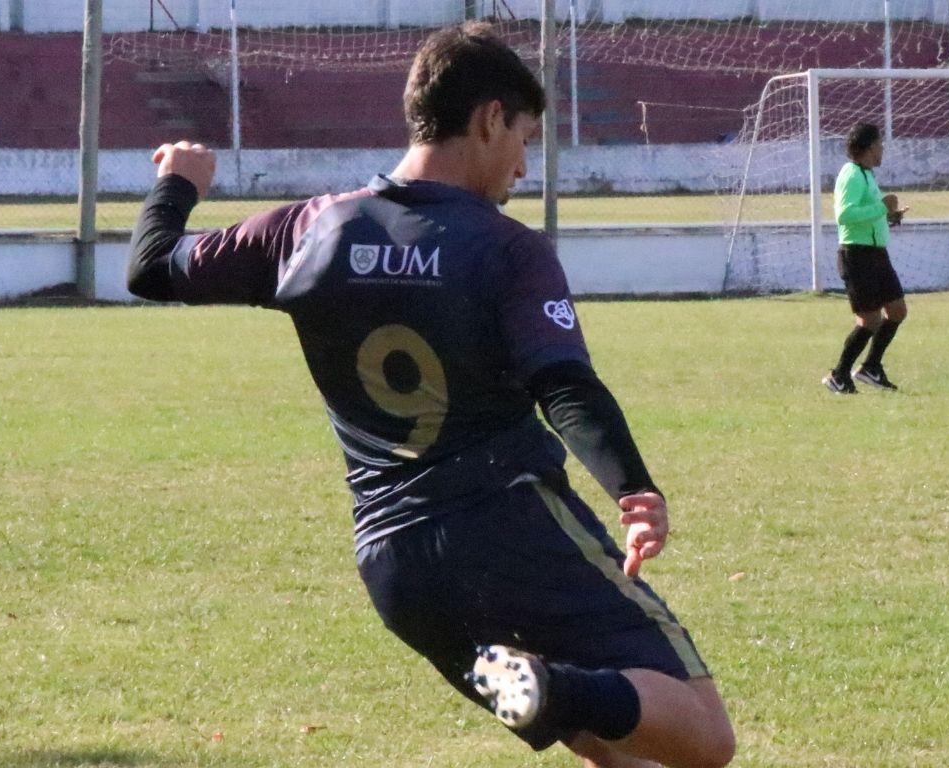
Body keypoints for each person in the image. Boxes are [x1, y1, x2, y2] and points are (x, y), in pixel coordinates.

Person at [124, 23, 734, 768]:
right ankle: (558, 688)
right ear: (489, 119)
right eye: (524, 137)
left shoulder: (307, 230)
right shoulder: (506, 248)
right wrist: (633, 487)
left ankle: (552, 688)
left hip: (397, 566)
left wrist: (179, 181)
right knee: (703, 734)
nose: (522, 164)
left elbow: (152, 266)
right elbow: (563, 384)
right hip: (509, 525)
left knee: (623, 752)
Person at [822, 122, 909, 394]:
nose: (883, 149)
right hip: (856, 255)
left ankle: (871, 367)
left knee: (897, 311)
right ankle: (839, 375)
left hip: (875, 254)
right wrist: (880, 208)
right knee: (869, 320)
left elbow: (868, 213)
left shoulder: (866, 174)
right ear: (870, 147)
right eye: (880, 144)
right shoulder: (851, 175)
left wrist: (888, 216)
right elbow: (844, 216)